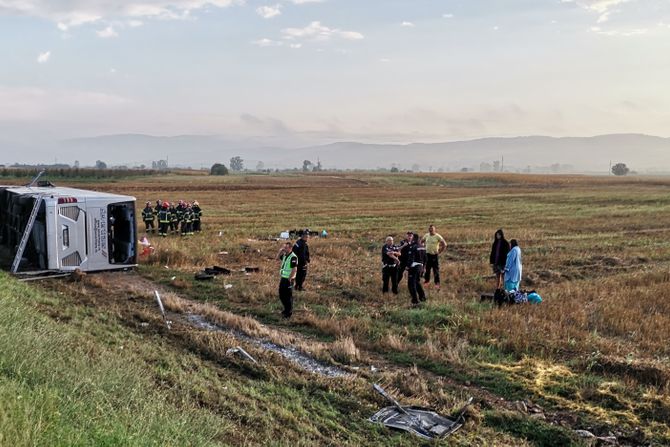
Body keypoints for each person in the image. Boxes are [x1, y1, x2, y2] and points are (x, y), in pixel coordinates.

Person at [421, 225, 447, 290]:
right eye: (429, 229)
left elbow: (445, 244)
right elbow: (421, 241)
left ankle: (437, 284)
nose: (431, 230)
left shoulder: (438, 236)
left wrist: (440, 251)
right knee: (427, 270)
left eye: (432, 229)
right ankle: (426, 282)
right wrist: (422, 247)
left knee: (436, 270)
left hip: (434, 255)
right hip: (427, 255)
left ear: (434, 229)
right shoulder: (426, 235)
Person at [278, 241, 298, 318]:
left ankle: (288, 312)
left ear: (290, 248)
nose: (284, 249)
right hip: (283, 278)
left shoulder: (293, 257)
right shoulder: (285, 255)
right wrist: (280, 251)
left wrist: (290, 279)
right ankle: (286, 309)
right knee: (281, 295)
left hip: (289, 279)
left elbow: (294, 269)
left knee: (288, 296)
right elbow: (277, 258)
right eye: (284, 247)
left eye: (286, 248)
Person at [406, 233, 426, 306]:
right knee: (417, 282)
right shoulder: (422, 247)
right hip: (420, 266)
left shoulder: (413, 246)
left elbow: (411, 258)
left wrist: (408, 266)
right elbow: (425, 258)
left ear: (414, 238)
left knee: (411, 284)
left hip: (413, 266)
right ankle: (422, 297)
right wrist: (424, 268)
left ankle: (415, 300)